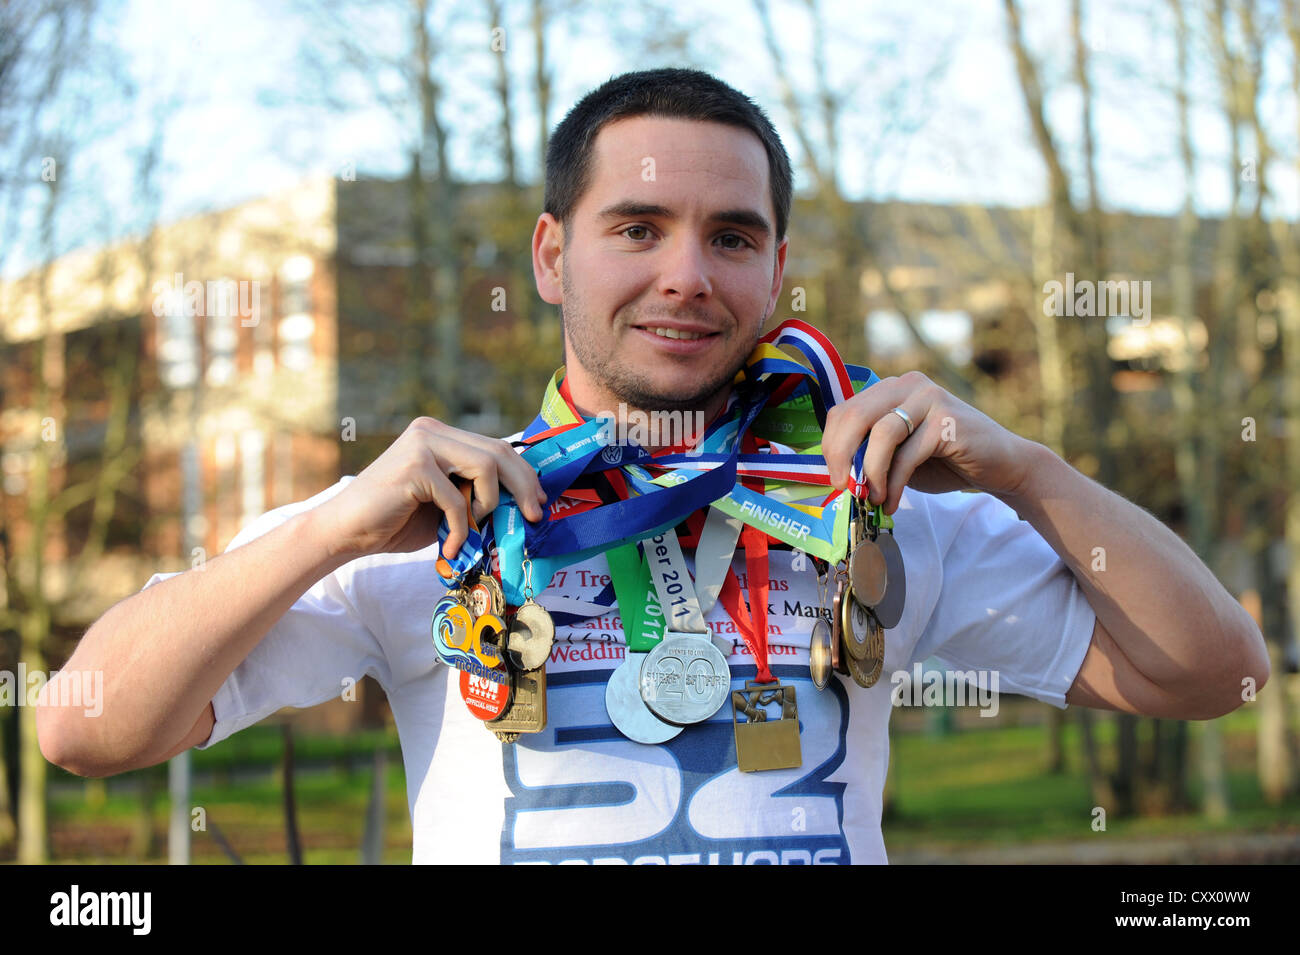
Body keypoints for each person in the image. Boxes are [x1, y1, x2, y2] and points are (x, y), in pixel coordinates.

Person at [38, 68, 1269, 865]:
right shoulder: (437, 514)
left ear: (777, 273)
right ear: (551, 254)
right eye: (637, 227)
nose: (687, 273)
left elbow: (1219, 674)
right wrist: (324, 534)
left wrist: (1023, 466)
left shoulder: (862, 511)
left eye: (730, 236)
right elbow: (85, 730)